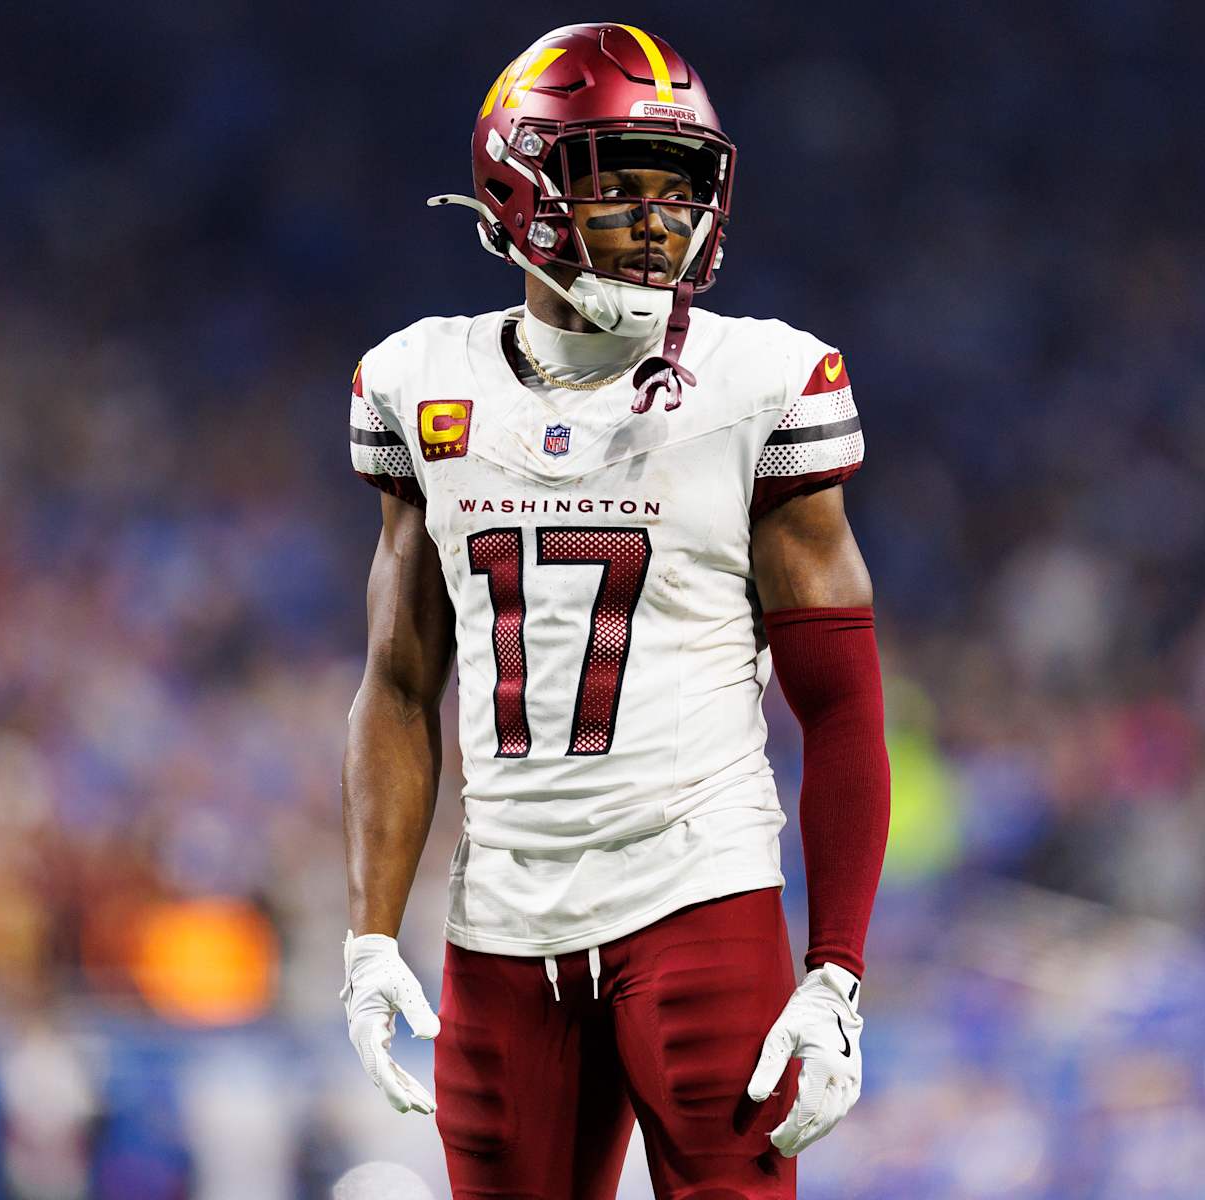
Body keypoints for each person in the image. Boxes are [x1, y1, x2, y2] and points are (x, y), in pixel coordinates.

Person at [340, 23, 891, 1198]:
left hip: (697, 896)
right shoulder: (418, 383)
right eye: (618, 183)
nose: (657, 217)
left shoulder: (760, 382)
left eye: (678, 187)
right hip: (502, 918)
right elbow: (398, 681)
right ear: (520, 186)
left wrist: (836, 970)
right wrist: (371, 933)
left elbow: (843, 706)